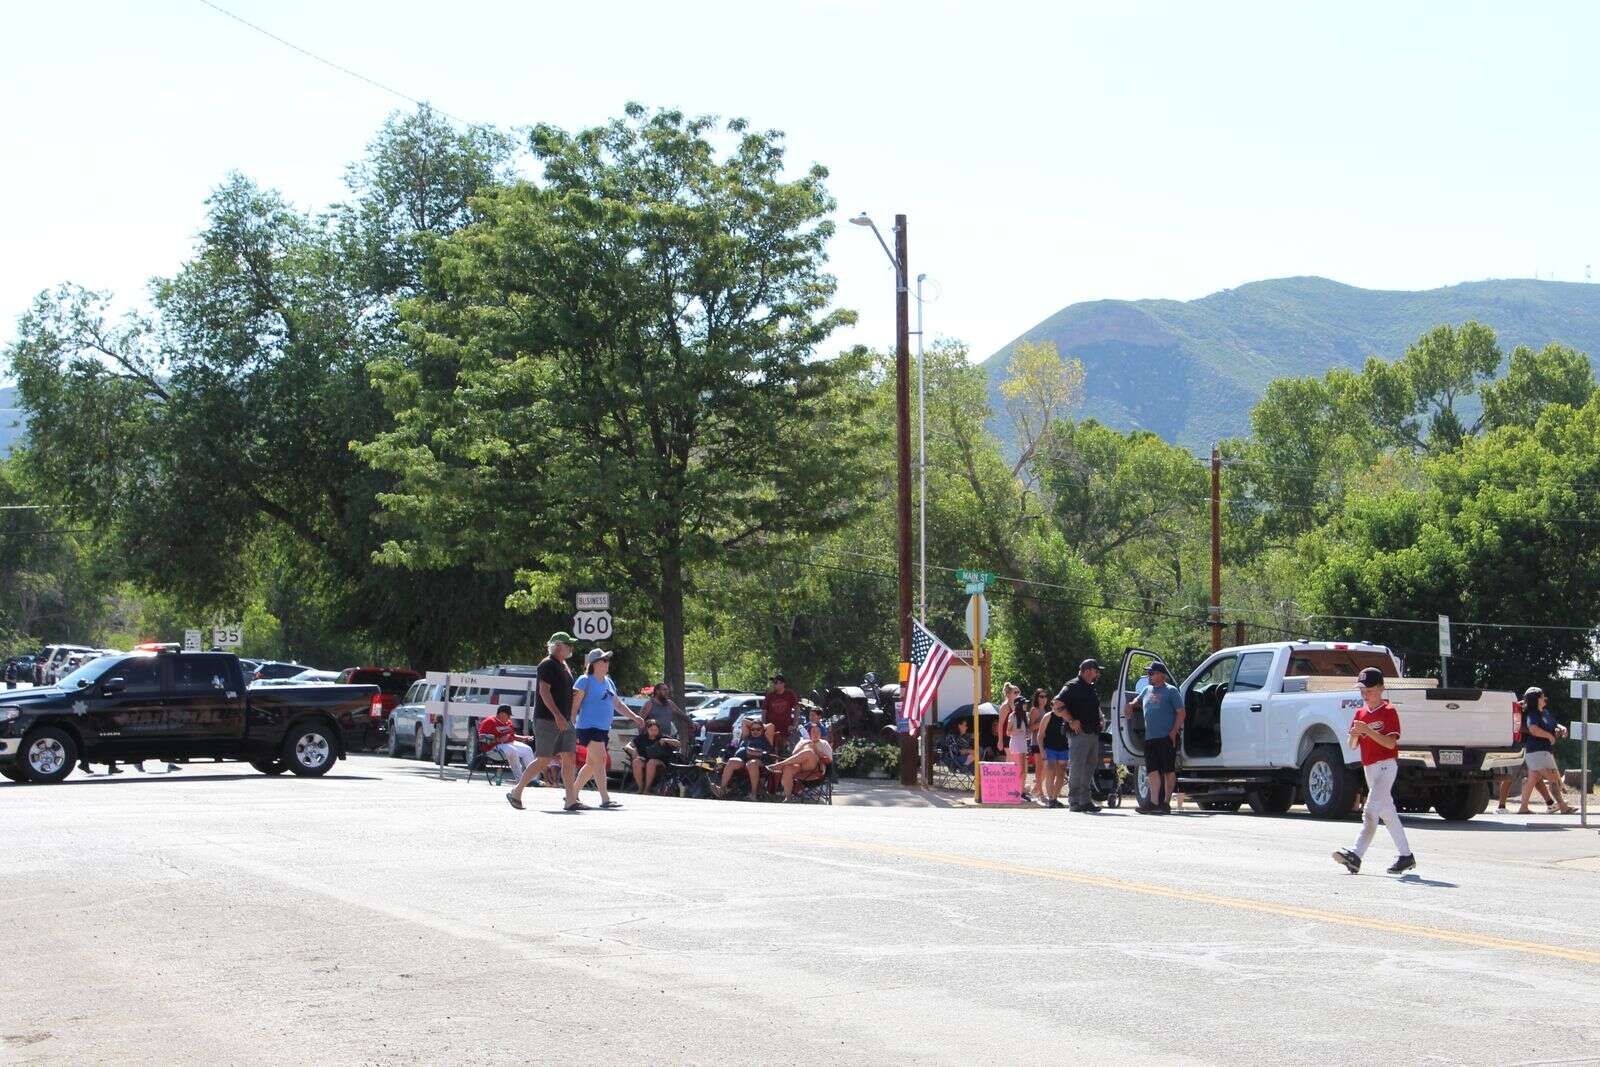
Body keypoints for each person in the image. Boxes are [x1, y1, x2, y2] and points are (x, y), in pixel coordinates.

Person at [1332, 667, 1416, 875]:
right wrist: (1354, 734)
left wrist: (1367, 730)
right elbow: (1352, 745)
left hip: (1387, 765)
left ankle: (1356, 855)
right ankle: (1406, 856)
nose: (1365, 694)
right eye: (1362, 690)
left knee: (1370, 811)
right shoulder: (1360, 713)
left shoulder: (1389, 711)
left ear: (1381, 688)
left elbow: (1390, 743)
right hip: (1370, 768)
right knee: (1387, 813)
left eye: (1369, 689)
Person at [506, 632, 582, 812]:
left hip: (565, 720)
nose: (571, 647)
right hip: (548, 719)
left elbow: (557, 689)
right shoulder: (547, 664)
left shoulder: (564, 665)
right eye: (567, 644)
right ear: (557, 645)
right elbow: (544, 691)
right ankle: (516, 792)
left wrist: (570, 695)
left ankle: (570, 799)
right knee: (544, 759)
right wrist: (557, 715)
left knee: (569, 756)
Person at [571, 648, 645, 809]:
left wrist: (635, 717)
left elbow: (617, 704)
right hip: (588, 727)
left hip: (603, 729)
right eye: (604, 660)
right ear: (595, 663)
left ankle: (572, 793)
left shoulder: (609, 681)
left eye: (607, 660)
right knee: (601, 759)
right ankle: (605, 799)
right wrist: (570, 724)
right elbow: (575, 705)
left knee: (591, 763)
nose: (607, 663)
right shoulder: (584, 680)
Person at [1129, 662, 1184, 814]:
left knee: (1168, 770)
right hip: (1150, 738)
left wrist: (1174, 732)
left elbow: (1181, 713)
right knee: (1152, 771)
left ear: (1161, 674)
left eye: (1151, 673)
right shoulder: (1146, 689)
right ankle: (1153, 802)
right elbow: (1137, 701)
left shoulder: (1171, 691)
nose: (1149, 675)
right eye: (1148, 673)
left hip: (1167, 737)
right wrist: (1131, 705)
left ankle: (1165, 803)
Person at [1518, 686, 1576, 815]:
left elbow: (1555, 724)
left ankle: (1523, 808)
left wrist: (1562, 728)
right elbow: (1533, 729)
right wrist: (1549, 736)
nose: (1545, 697)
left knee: (1532, 780)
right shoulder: (1533, 714)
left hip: (1543, 751)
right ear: (1537, 699)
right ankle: (1563, 806)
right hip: (1536, 751)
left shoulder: (1545, 713)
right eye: (1543, 695)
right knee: (1552, 778)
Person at [1058, 658, 1103, 813]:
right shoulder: (1072, 686)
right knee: (1077, 767)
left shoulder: (1090, 687)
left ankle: (1085, 800)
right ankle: (1074, 800)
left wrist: (1101, 717)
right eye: (1096, 671)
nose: (1097, 674)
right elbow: (1057, 704)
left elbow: (1093, 707)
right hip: (1079, 734)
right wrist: (1071, 720)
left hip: (1093, 733)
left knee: (1089, 767)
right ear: (1087, 671)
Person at [771, 721, 834, 801]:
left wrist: (815, 749)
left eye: (818, 732)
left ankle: (780, 764)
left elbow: (829, 760)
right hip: (801, 767)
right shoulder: (802, 742)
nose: (816, 733)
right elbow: (794, 755)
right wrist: (804, 744)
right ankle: (788, 797)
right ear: (809, 733)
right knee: (788, 768)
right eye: (814, 731)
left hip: (816, 769)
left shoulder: (824, 743)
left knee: (809, 752)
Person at [714, 718, 773, 798]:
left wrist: (760, 725)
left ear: (762, 729)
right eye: (753, 729)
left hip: (759, 760)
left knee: (751, 763)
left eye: (758, 729)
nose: (755, 731)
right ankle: (722, 789)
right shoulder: (747, 736)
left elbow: (771, 726)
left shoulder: (766, 737)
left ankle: (753, 794)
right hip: (743, 759)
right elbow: (744, 721)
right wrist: (754, 725)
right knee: (731, 761)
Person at [477, 704, 536, 780]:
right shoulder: (489, 721)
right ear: (501, 714)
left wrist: (524, 738)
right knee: (512, 750)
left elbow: (512, 736)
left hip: (508, 744)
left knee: (527, 749)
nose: (509, 717)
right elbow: (481, 737)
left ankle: (533, 779)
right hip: (492, 748)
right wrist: (498, 739)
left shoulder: (508, 722)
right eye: (508, 715)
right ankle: (520, 779)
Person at [996, 683, 1032, 801]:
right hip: (1009, 738)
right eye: (1015, 692)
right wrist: (1000, 740)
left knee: (1021, 766)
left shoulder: (1020, 708)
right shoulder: (1005, 707)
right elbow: (1000, 725)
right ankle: (1009, 791)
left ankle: (1019, 791)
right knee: (1011, 765)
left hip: (1020, 739)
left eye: (1018, 692)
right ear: (1008, 694)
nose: (1018, 694)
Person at [625, 718, 680, 794]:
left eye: (655, 730)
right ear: (647, 729)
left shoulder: (662, 737)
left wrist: (667, 740)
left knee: (651, 762)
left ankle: (647, 789)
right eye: (651, 730)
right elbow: (627, 746)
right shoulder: (641, 738)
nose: (654, 732)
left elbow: (678, 744)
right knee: (636, 762)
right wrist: (633, 751)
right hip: (644, 759)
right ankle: (640, 787)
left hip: (660, 761)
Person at [1036, 696, 1073, 808]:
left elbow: (1072, 734)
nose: (1058, 708)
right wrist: (1042, 751)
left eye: (1061, 706)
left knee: (1061, 774)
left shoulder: (1067, 716)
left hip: (1064, 749)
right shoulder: (1048, 717)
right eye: (1056, 706)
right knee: (1050, 771)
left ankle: (1055, 798)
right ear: (1052, 706)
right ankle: (1051, 799)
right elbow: (1040, 736)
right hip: (1050, 748)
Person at [763, 675, 800, 752]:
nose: (774, 684)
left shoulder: (790, 694)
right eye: (774, 683)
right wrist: (763, 725)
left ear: (783, 684)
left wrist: (794, 724)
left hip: (786, 728)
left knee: (785, 750)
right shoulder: (770, 695)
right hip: (772, 728)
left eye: (776, 682)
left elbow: (797, 708)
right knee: (772, 749)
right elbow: (764, 711)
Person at [1028, 688, 1050, 798]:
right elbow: (1030, 727)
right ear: (1037, 697)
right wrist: (1042, 723)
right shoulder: (1034, 710)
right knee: (1040, 766)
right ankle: (1040, 792)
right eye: (1041, 696)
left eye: (1045, 696)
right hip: (1036, 742)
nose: (1044, 699)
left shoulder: (1047, 711)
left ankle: (1037, 787)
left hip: (1047, 742)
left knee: (1047, 766)